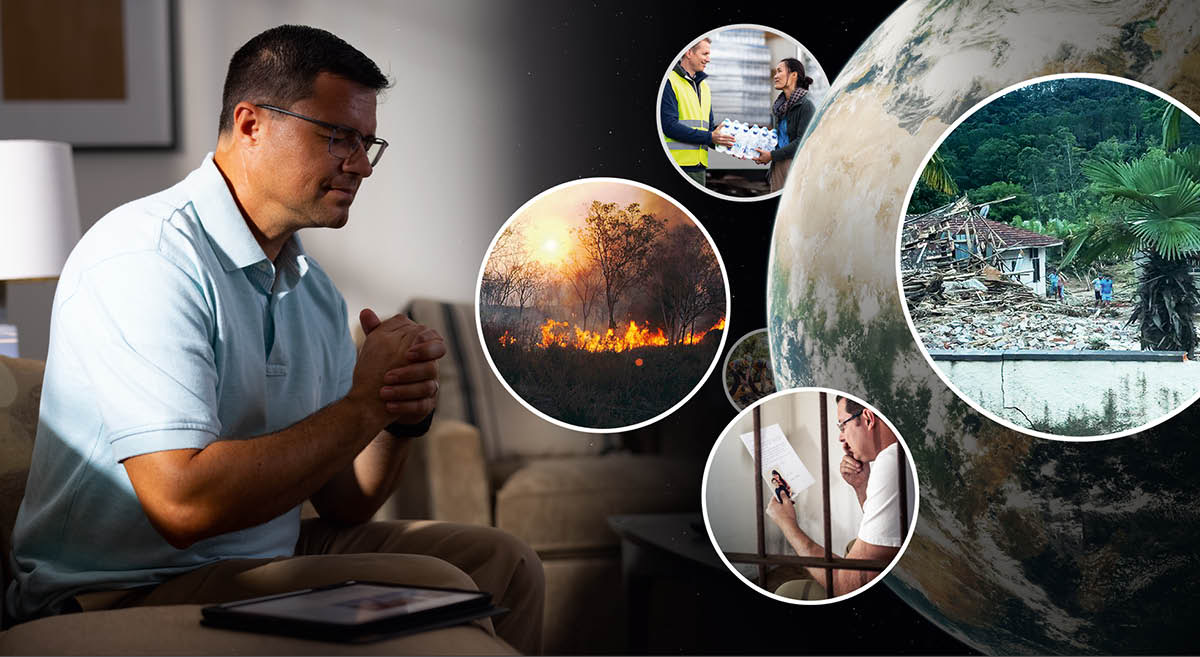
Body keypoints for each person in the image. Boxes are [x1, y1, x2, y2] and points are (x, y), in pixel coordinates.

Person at [5, 25, 544, 654]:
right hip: (125, 584)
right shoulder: (145, 258)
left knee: (503, 560)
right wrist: (362, 404)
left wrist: (398, 412)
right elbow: (183, 506)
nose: (362, 165)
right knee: (435, 584)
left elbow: (345, 503)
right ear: (251, 124)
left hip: (261, 556)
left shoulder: (311, 287)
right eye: (337, 136)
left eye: (368, 143)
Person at [765, 396, 914, 599]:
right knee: (852, 546)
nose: (840, 438)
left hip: (902, 583)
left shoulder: (892, 463)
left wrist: (787, 524)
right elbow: (886, 531)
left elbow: (846, 586)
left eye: (842, 426)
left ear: (869, 419)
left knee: (787, 591)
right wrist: (861, 485)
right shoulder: (894, 452)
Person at [661, 37, 735, 187]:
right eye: (705, 54)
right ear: (689, 52)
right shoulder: (669, 81)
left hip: (699, 168)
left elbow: (708, 130)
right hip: (678, 166)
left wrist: (729, 143)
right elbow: (669, 126)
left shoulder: (704, 87)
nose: (708, 59)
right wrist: (710, 137)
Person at [752, 57, 816, 192]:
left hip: (795, 167)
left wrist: (771, 155)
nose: (775, 76)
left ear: (793, 75)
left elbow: (802, 142)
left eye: (779, 71)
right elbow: (778, 138)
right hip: (778, 165)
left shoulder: (806, 106)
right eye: (775, 72)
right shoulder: (779, 107)